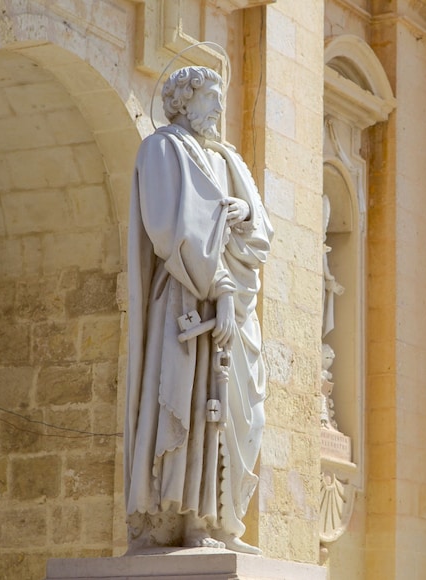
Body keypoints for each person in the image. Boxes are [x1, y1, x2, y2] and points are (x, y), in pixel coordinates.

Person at [124, 65, 272, 555]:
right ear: (183, 102)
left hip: (231, 308)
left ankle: (222, 520)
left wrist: (244, 214)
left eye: (220, 97)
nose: (218, 108)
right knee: (190, 404)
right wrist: (221, 286)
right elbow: (171, 228)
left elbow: (261, 236)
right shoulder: (162, 149)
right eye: (210, 97)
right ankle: (186, 521)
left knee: (236, 412)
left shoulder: (228, 158)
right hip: (190, 299)